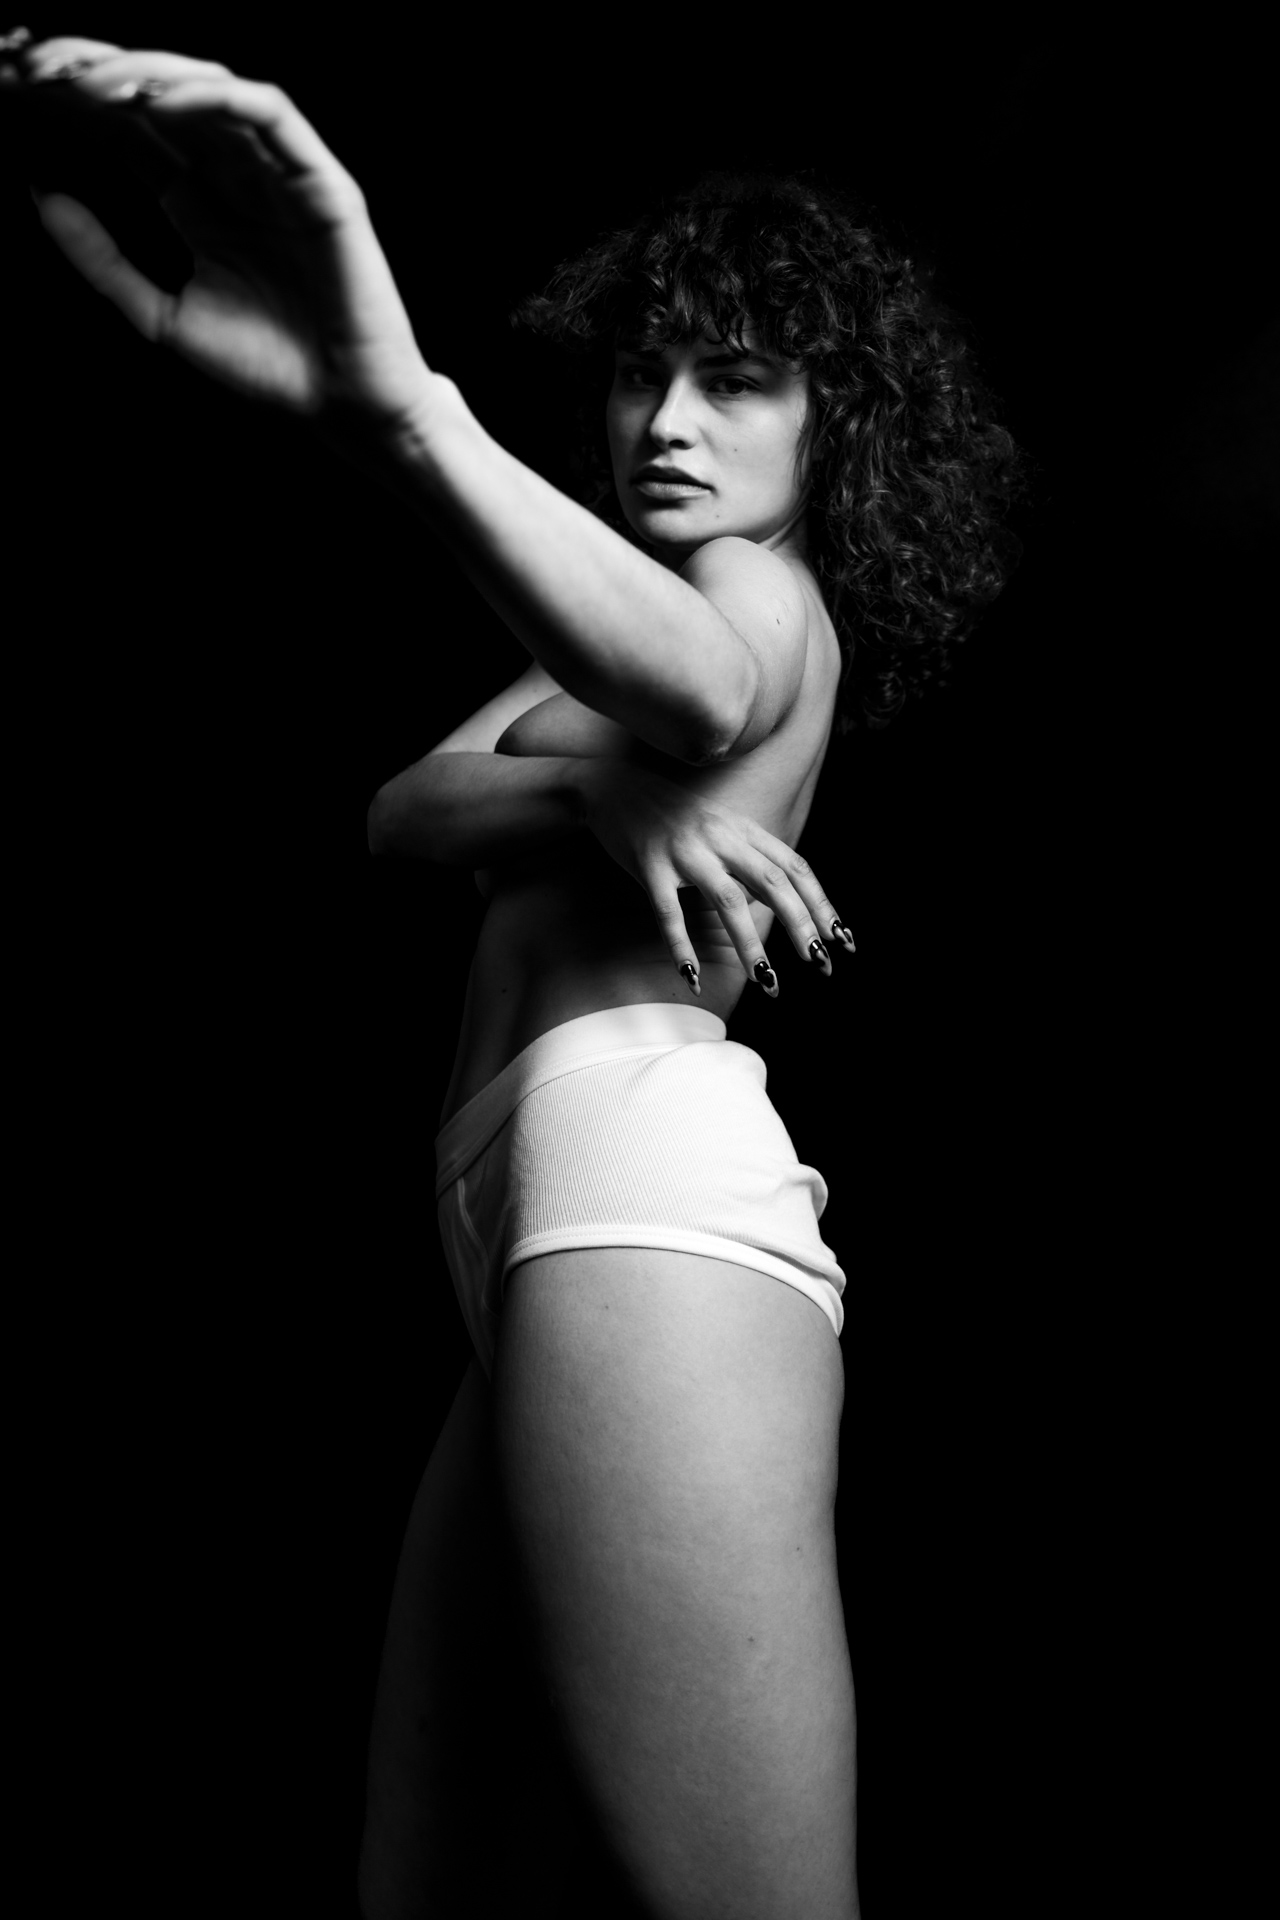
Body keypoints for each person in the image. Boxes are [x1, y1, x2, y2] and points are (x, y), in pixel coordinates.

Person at [6, 31, 1029, 1918]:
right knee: (434, 1882)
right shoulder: (630, 642)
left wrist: (411, 421)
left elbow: (701, 696)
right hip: (525, 1208)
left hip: (638, 1179)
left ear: (837, 428)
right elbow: (404, 810)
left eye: (739, 381)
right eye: (646, 371)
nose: (670, 422)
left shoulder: (757, 594)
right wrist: (606, 802)